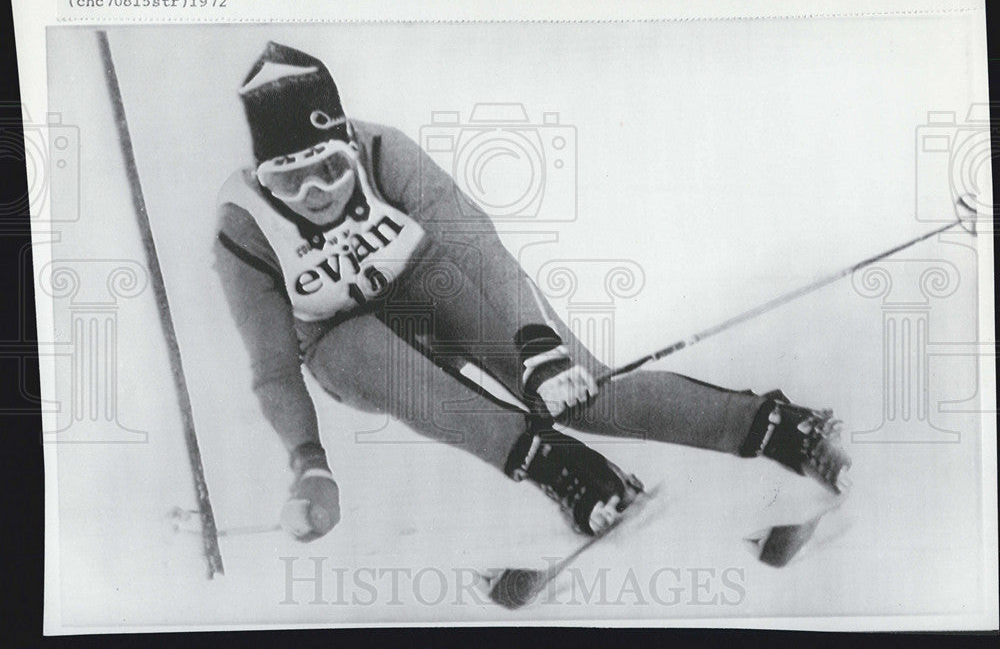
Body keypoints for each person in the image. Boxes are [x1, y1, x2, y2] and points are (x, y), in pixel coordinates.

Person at [213, 42, 851, 543]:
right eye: (290, 180)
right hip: (340, 339)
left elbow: (478, 249)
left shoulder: (386, 153)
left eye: (329, 167)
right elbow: (273, 368)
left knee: (579, 394)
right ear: (264, 178)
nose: (316, 193)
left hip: (425, 281)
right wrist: (308, 463)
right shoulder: (244, 227)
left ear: (350, 145)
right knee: (365, 358)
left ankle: (774, 427)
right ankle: (560, 468)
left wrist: (541, 348)